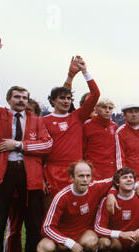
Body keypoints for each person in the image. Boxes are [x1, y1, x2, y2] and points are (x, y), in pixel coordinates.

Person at [0, 37, 53, 252]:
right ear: (9, 99)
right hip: (2, 173)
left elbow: (47, 146)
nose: (21, 100)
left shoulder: (37, 121)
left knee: (35, 225)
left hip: (30, 174)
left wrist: (19, 145)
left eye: (25, 97)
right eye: (17, 96)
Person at [37, 161, 112, 252]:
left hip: (82, 235)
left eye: (88, 176)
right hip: (62, 239)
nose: (85, 179)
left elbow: (117, 179)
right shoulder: (62, 197)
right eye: (81, 176)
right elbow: (46, 227)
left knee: (91, 241)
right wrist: (70, 243)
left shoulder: (96, 187)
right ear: (72, 178)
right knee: (43, 249)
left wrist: (112, 193)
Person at [42, 56, 100, 198]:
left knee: (76, 213)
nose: (66, 101)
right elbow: (39, 155)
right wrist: (41, 178)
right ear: (52, 101)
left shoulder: (77, 117)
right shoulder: (43, 121)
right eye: (62, 98)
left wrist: (85, 71)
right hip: (52, 172)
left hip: (76, 171)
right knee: (53, 212)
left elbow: (95, 94)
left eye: (69, 98)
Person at [2, 98, 43, 252]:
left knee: (36, 228)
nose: (27, 114)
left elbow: (47, 157)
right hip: (13, 187)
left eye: (31, 111)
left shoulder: (39, 130)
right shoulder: (11, 130)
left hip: (35, 186)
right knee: (13, 228)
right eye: (25, 110)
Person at [95, 168, 139, 252]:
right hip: (117, 242)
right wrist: (120, 234)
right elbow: (98, 227)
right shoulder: (108, 201)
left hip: (136, 240)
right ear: (117, 183)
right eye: (124, 177)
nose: (129, 179)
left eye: (131, 177)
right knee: (103, 242)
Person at [83, 99, 118, 180]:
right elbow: (82, 148)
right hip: (93, 169)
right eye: (104, 107)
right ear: (96, 108)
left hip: (111, 170)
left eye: (110, 108)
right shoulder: (87, 125)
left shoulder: (114, 126)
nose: (107, 110)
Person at [115, 104, 139, 179]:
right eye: (130, 112)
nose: (134, 114)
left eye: (136, 112)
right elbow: (120, 158)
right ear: (124, 115)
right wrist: (125, 177)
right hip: (132, 178)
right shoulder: (120, 132)